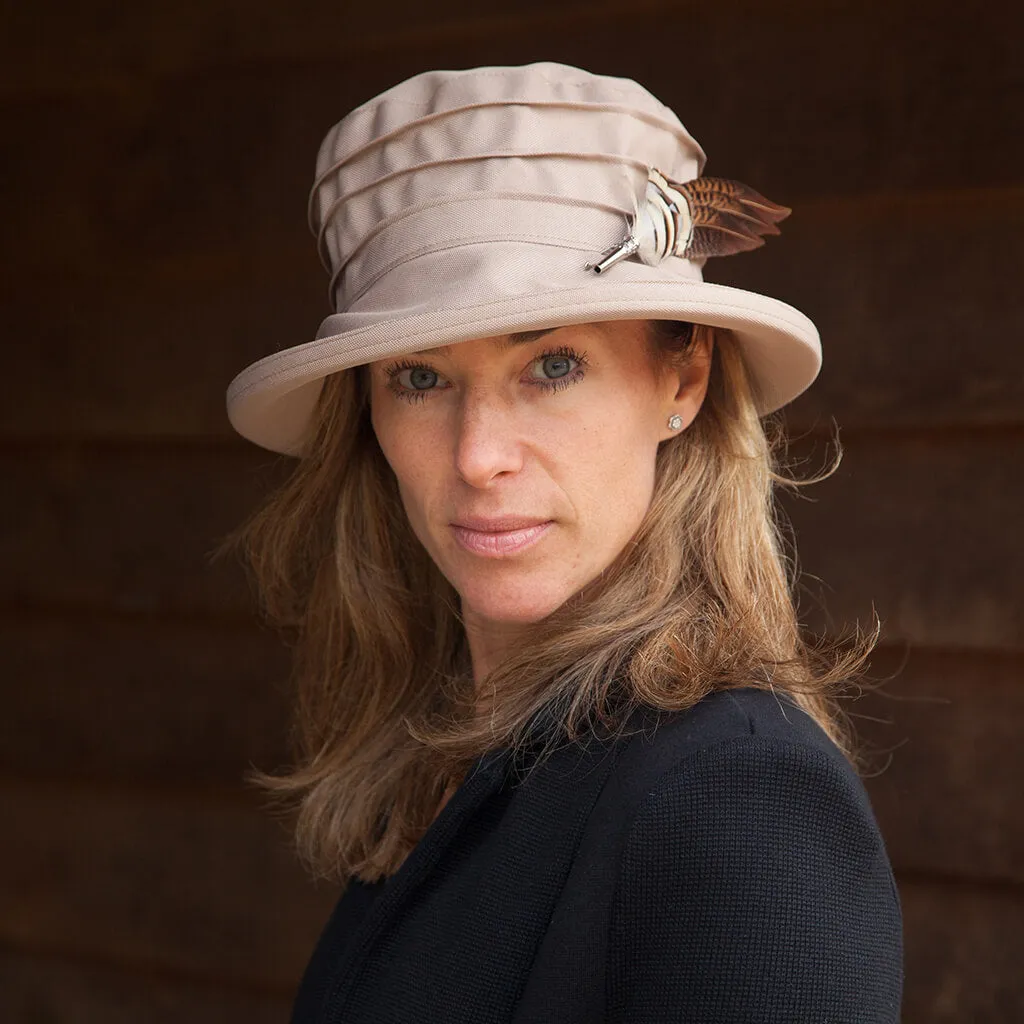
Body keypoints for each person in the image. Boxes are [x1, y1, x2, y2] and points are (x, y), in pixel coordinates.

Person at [224, 62, 903, 1023]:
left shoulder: (739, 796)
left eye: (552, 364)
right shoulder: (451, 764)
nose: (478, 455)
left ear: (684, 378)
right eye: (419, 378)